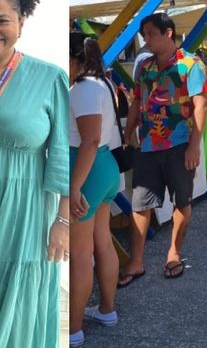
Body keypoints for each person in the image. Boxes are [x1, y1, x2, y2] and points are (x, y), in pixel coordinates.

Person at [0, 0, 69, 347]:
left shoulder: (49, 78)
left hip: (24, 214)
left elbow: (59, 151)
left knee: (18, 309)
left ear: (21, 22)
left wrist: (62, 222)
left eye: (2, 20)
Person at [120, 13, 207, 285]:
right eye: (144, 35)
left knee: (181, 200)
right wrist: (128, 132)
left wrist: (194, 145)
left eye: (150, 34)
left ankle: (174, 252)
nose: (146, 40)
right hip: (147, 145)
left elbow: (200, 104)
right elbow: (137, 101)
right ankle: (136, 261)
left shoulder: (190, 64)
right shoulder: (145, 66)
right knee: (140, 203)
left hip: (179, 145)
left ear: (167, 32)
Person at [69, 33, 121, 347]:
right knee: (102, 242)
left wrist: (74, 187)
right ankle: (107, 310)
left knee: (79, 253)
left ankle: (73, 329)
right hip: (104, 167)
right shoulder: (103, 83)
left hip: (87, 169)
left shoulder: (82, 89)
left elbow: (88, 140)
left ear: (75, 58)